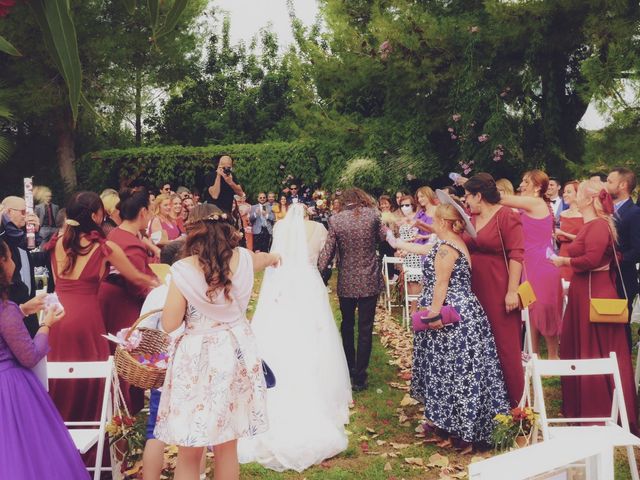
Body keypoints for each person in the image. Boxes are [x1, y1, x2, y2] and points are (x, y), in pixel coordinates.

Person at [153, 204, 280, 480]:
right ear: (226, 228)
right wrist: (274, 257)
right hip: (235, 352)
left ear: (192, 233)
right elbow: (262, 259)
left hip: (197, 359)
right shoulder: (244, 259)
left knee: (189, 449)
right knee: (227, 446)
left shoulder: (183, 270)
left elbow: (170, 323)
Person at [389, 193, 510, 452]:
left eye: (435, 219)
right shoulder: (454, 241)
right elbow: (431, 242)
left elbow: (441, 284)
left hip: (452, 317)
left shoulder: (446, 249)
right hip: (466, 313)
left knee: (453, 374)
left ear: (444, 221)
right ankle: (455, 427)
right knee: (459, 373)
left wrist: (432, 315)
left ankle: (461, 432)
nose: (432, 221)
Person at [238, 203, 352, 471]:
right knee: (316, 330)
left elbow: (278, 254)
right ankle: (319, 381)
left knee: (281, 324)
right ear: (309, 213)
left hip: (284, 280)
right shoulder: (319, 229)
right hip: (309, 280)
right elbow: (324, 259)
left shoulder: (280, 227)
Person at [45, 192, 158, 445]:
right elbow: (136, 277)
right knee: (91, 381)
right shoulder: (104, 247)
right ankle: (92, 448)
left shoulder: (57, 241)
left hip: (57, 317)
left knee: (59, 379)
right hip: (86, 318)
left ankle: (58, 443)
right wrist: (161, 285)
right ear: (96, 215)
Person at [551, 179, 638, 435]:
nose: (573, 194)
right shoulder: (590, 224)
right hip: (583, 290)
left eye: (577, 191)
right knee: (582, 346)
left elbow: (590, 259)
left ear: (589, 199)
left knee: (596, 349)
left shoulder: (599, 225)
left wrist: (563, 259)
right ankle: (583, 406)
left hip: (593, 292)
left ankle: (598, 410)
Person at [0, 239, 88, 480]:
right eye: (10, 259)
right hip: (10, 392)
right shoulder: (3, 309)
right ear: (2, 263)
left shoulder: (8, 310)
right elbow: (29, 355)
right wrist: (46, 324)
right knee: (28, 456)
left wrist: (22, 310)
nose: (15, 267)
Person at [462, 173, 525, 407]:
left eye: (468, 195)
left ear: (479, 195)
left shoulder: (507, 216)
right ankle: (485, 405)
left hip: (499, 286)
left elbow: (517, 254)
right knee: (479, 346)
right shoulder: (470, 218)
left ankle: (516, 408)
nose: (466, 200)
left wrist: (512, 291)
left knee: (505, 346)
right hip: (474, 289)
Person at [318, 188, 387, 391]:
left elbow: (328, 251)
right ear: (361, 199)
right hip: (369, 279)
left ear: (345, 201)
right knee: (365, 329)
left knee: (347, 325)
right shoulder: (374, 215)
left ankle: (348, 367)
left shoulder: (336, 220)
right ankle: (360, 376)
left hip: (347, 280)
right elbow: (384, 237)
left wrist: (318, 269)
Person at [98, 188, 156, 414]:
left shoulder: (118, 235)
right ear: (143, 212)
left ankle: (123, 407)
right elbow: (136, 282)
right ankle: (124, 408)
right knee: (126, 352)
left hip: (113, 299)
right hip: (121, 302)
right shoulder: (129, 242)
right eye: (150, 211)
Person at [500, 170, 563, 359]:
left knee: (546, 310)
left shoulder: (535, 202)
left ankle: (553, 358)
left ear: (537, 187)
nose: (522, 184)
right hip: (528, 263)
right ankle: (534, 356)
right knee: (531, 310)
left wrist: (478, 188)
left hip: (542, 264)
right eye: (522, 180)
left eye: (526, 181)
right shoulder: (527, 205)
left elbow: (501, 199)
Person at [1, 196, 48, 337]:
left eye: (29, 212)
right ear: (9, 212)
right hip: (7, 300)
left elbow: (30, 245)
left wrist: (34, 230)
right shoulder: (4, 233)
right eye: (23, 212)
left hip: (25, 298)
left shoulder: (19, 236)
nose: (27, 216)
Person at [606, 167, 640, 347]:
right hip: (606, 276)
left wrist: (617, 259)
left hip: (623, 277)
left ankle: (623, 359)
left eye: (610, 182)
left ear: (623, 185)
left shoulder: (634, 213)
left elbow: (637, 249)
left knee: (620, 322)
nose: (606, 185)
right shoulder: (607, 210)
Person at [397, 194, 423, 311]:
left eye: (407, 205)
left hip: (415, 253)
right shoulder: (402, 220)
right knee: (407, 280)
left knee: (415, 281)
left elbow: (417, 237)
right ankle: (410, 308)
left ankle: (414, 310)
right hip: (405, 254)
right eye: (402, 205)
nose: (404, 207)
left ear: (413, 205)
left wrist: (404, 245)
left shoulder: (417, 219)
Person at [555, 181, 583, 282]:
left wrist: (562, 233)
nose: (565, 194)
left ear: (578, 194)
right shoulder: (562, 214)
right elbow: (560, 238)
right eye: (564, 192)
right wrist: (556, 236)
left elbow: (583, 239)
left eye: (569, 192)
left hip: (576, 255)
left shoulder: (584, 214)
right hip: (562, 252)